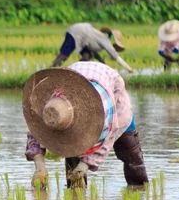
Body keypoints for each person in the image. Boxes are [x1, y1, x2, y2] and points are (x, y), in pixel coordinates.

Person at [24, 61, 148, 190]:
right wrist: (40, 168)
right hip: (73, 79)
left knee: (129, 150)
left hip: (108, 85)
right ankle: (76, 195)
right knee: (72, 154)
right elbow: (34, 133)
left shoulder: (102, 109)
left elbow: (110, 135)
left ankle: (139, 188)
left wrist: (84, 166)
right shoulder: (48, 107)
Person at [52, 23, 134, 74]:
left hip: (79, 32)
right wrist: (128, 68)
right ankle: (52, 71)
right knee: (64, 55)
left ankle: (77, 72)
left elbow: (95, 54)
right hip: (78, 33)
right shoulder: (105, 40)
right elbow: (116, 57)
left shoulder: (97, 36)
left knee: (86, 56)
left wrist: (104, 64)